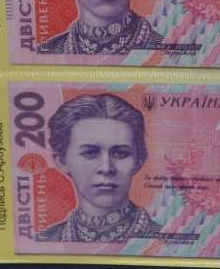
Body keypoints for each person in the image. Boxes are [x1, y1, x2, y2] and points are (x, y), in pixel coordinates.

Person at [39, 93, 161, 243]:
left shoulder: (165, 240)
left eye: (120, 153)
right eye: (90, 153)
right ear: (63, 161)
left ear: (139, 160)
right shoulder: (44, 240)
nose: (106, 168)